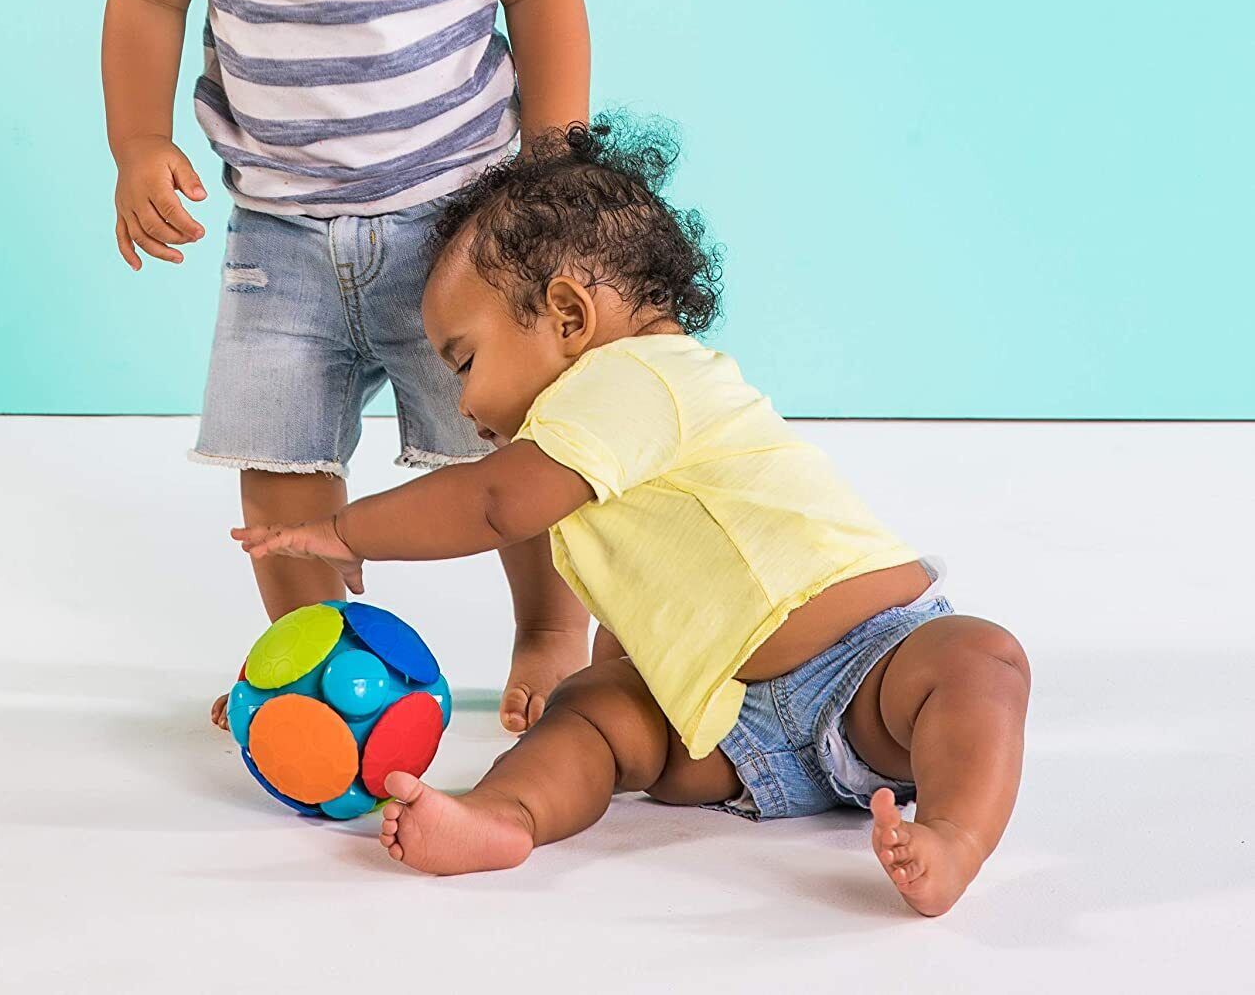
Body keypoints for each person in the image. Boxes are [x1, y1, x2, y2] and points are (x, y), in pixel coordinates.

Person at [233, 119, 1030, 917]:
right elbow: (649, 593)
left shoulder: (638, 377)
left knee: (977, 659)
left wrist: (345, 530)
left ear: (570, 317)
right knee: (594, 711)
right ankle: (505, 815)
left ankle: (955, 835)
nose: (464, 405)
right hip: (729, 729)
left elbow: (492, 502)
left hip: (867, 671)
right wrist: (612, 673)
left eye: (465, 361)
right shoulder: (589, 456)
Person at [101, 0, 592, 734]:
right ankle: (312, 660)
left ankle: (551, 625)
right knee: (277, 457)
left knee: (506, 452)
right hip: (279, 223)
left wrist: (554, 164)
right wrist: (137, 143)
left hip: (462, 226)